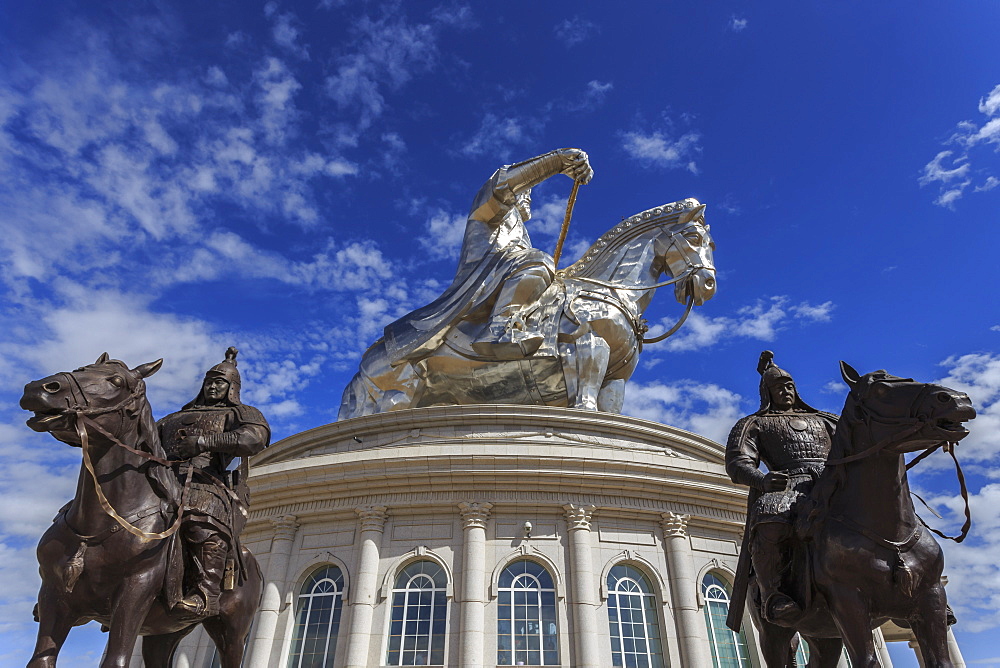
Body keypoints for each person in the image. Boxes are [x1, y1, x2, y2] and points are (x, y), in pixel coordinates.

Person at [382, 148, 593, 363]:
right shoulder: (488, 206)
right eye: (525, 191)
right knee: (538, 260)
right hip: (482, 280)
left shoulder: (521, 231)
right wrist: (556, 162)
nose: (528, 198)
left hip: (505, 278)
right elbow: (505, 184)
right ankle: (500, 328)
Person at [725, 351, 838, 625]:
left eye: (788, 386)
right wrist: (761, 480)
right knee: (768, 513)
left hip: (833, 480)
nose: (785, 391)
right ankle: (774, 593)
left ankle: (916, 583)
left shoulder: (826, 419)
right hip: (790, 483)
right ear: (767, 392)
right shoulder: (755, 423)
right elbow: (737, 461)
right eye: (778, 387)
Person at [158, 347, 270, 616]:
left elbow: (254, 439)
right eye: (209, 381)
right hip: (161, 480)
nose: (212, 386)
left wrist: (205, 442)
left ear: (231, 387)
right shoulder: (171, 419)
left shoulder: (239, 413)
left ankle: (205, 592)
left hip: (206, 483)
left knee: (201, 518)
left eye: (219, 382)